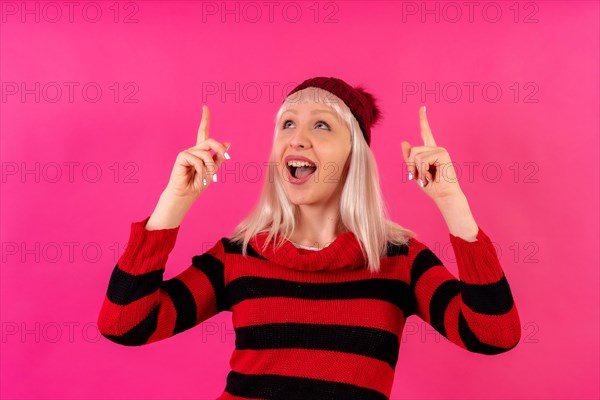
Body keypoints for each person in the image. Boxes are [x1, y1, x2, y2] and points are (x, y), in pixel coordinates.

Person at [97, 76, 522, 400]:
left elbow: (493, 333)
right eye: (287, 124)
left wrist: (452, 201)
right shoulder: (239, 255)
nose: (296, 138)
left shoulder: (400, 261)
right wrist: (175, 200)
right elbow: (126, 325)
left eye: (321, 125)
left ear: (354, 156)